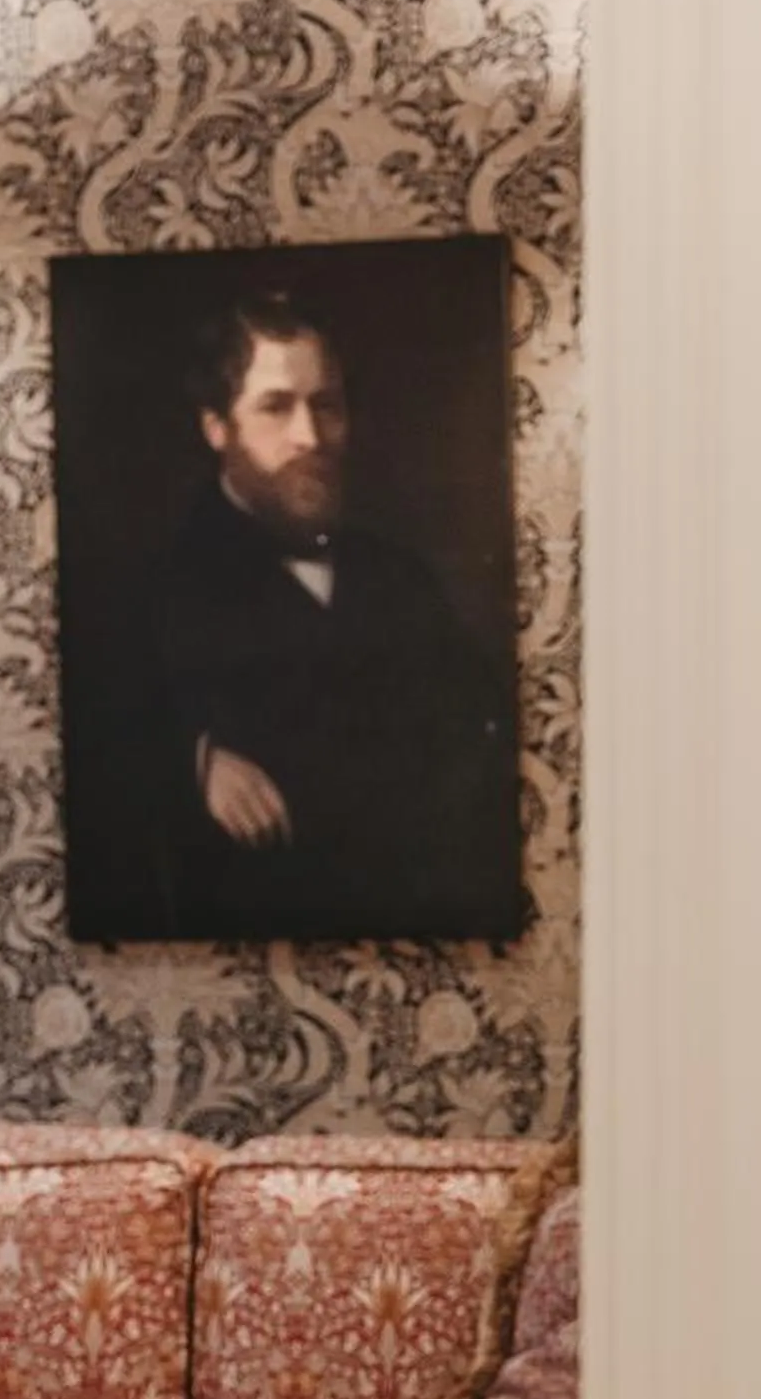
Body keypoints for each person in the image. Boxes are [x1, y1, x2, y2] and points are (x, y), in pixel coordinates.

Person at [150, 289, 522, 940]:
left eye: (327, 406)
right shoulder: (158, 583)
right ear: (217, 427)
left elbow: (485, 738)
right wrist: (196, 759)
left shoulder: (400, 576)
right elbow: (95, 739)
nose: (311, 436)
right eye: (276, 407)